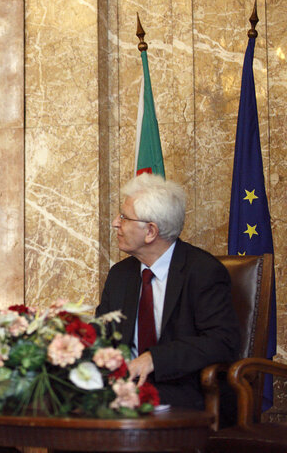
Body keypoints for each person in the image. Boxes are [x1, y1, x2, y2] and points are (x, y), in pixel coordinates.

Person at [96, 173, 239, 409]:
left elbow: (221, 341)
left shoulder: (203, 271)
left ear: (151, 231)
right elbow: (103, 334)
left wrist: (154, 359)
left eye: (124, 217)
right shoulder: (120, 275)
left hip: (184, 392)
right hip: (122, 389)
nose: (115, 223)